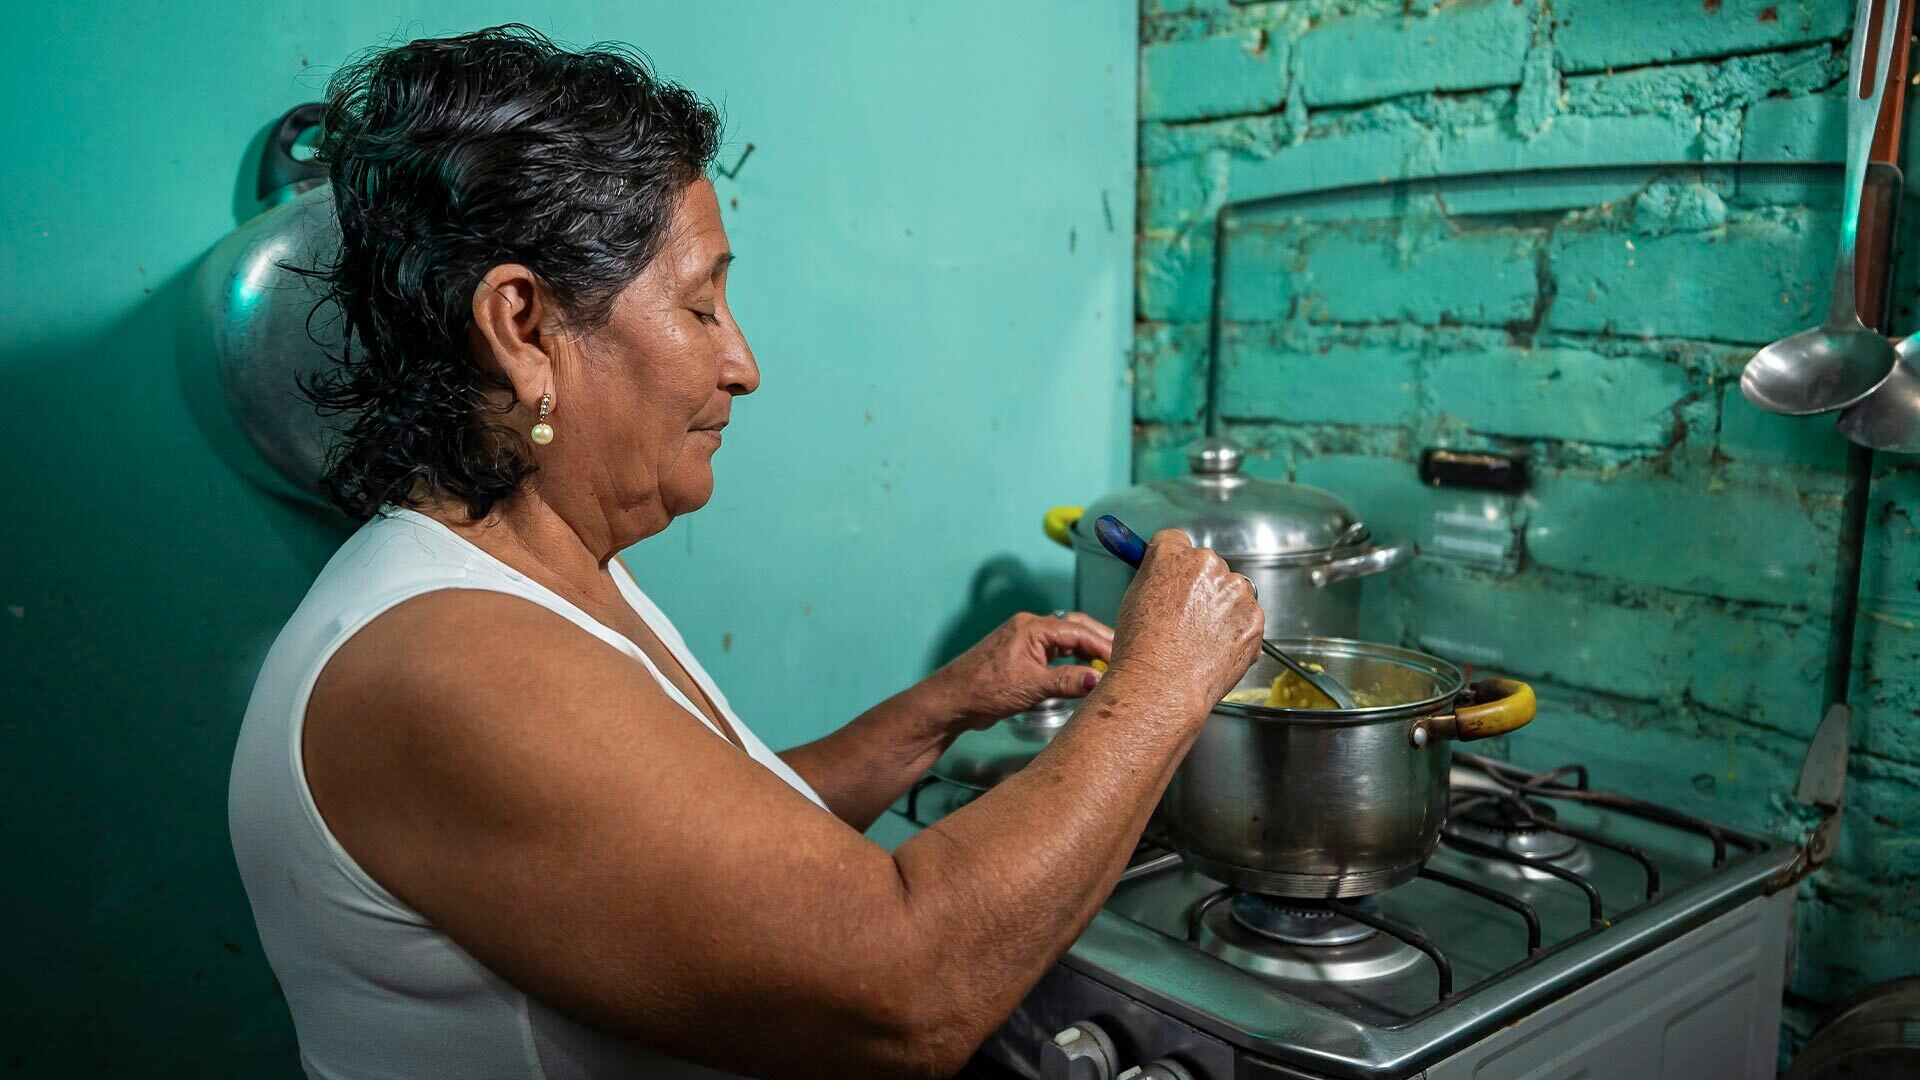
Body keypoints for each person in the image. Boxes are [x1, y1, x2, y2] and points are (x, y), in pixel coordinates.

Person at [228, 25, 1261, 1080]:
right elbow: (909, 987)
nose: (743, 362)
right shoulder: (452, 665)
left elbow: (724, 862)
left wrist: (948, 704)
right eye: (698, 305)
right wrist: (1162, 685)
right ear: (524, 326)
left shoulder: (540, 573)